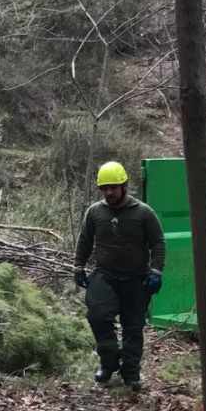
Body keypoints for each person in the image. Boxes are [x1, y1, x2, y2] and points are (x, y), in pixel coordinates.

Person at [73, 161, 165, 390]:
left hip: (136, 278)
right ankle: (109, 361)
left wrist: (156, 271)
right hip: (105, 275)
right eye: (104, 188)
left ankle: (131, 372)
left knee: (133, 326)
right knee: (97, 316)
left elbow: (158, 243)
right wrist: (78, 266)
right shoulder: (95, 212)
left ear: (124, 186)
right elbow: (85, 241)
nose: (109, 192)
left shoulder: (143, 213)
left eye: (113, 187)